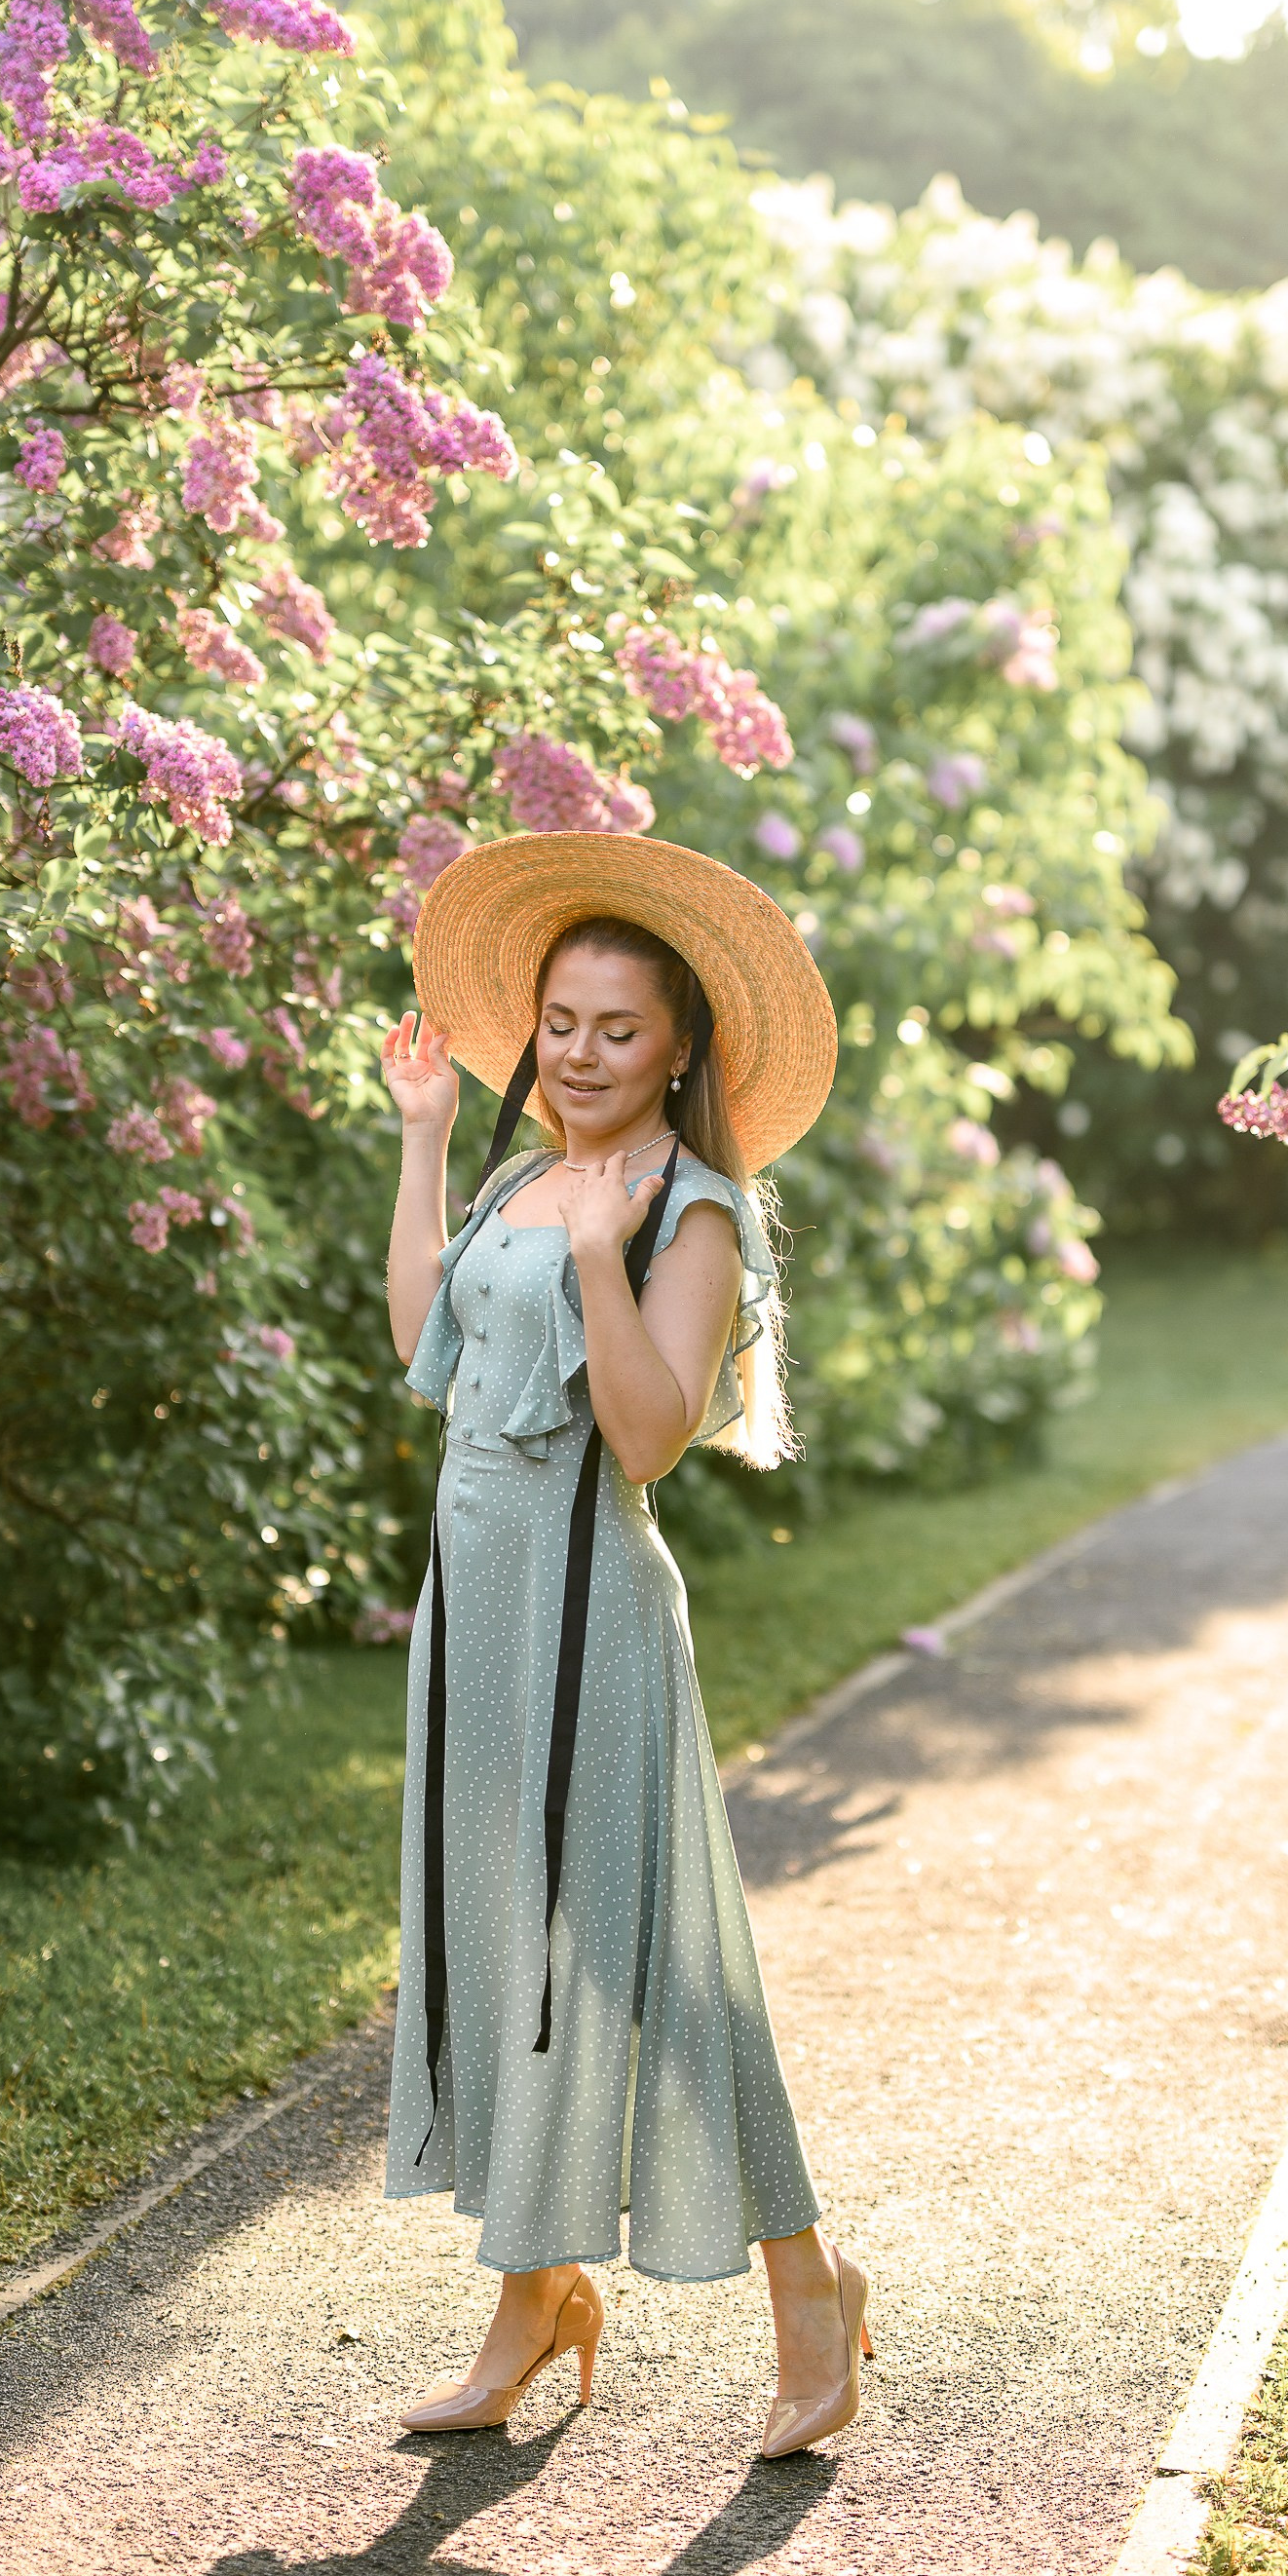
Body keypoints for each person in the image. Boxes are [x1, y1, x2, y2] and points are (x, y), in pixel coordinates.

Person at [378, 829, 869, 2461]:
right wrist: (429, 1143)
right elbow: (421, 1343)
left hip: (592, 1616)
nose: (581, 1056)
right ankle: (535, 2301)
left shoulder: (692, 1209)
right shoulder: (520, 1171)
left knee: (655, 1965)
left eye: (617, 1031)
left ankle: (811, 2287)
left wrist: (603, 1252)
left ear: (680, 1047)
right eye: (562, 1024)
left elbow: (650, 1437)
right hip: (474, 1608)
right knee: (505, 1936)